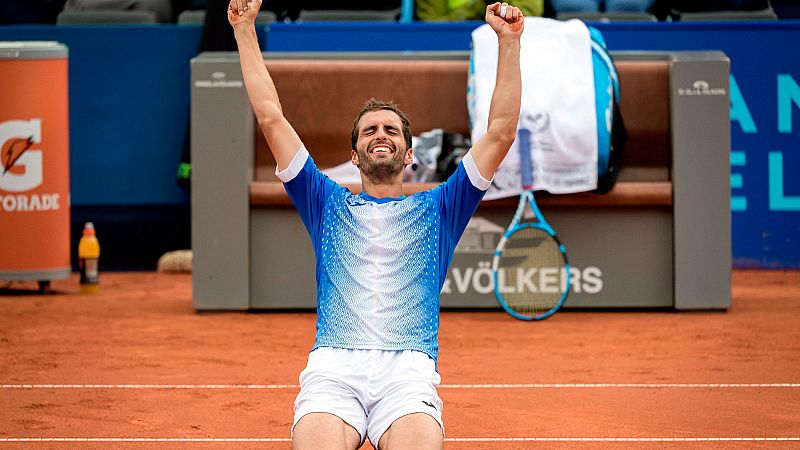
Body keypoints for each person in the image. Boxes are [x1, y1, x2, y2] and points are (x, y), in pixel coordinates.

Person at [228, 0, 523, 448]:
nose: (380, 134)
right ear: (354, 156)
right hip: (333, 373)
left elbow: (500, 131)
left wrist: (508, 42)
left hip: (407, 376)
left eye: (391, 130)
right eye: (369, 131)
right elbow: (271, 116)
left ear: (409, 154)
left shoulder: (443, 207)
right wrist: (245, 29)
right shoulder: (323, 200)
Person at [416, 0, 542, 21]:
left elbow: (529, 14)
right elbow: (432, 26)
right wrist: (479, 6)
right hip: (454, 51)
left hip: (509, 45)